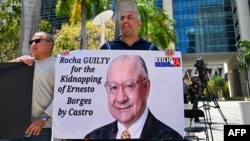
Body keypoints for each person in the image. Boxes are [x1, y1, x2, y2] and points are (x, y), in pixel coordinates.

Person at [84, 55, 183, 140]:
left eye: (129, 86)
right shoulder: (94, 137)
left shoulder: (170, 137)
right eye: (113, 87)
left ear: (146, 87)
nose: (121, 98)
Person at [60, 8, 175, 56]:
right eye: (122, 18)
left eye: (130, 17)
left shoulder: (151, 49)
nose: (125, 21)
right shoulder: (107, 48)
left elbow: (161, 76)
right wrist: (69, 58)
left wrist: (169, 58)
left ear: (139, 24)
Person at [6, 31, 56, 141]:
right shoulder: (24, 63)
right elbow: (4, 77)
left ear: (49, 44)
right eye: (31, 41)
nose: (33, 44)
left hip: (40, 129)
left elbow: (61, 97)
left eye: (37, 41)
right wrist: (16, 61)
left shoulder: (58, 65)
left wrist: (43, 119)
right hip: (14, 126)